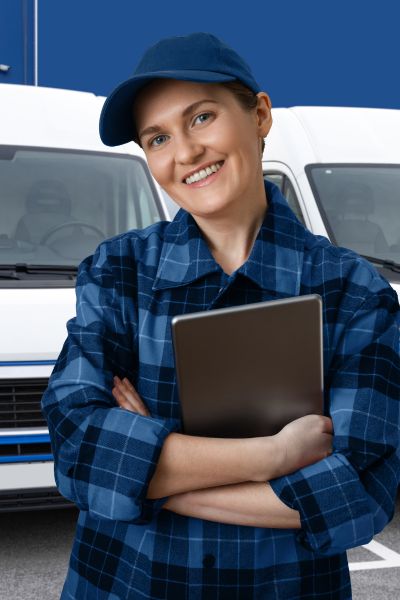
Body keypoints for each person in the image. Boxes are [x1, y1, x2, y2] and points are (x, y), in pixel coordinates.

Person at [41, 32, 400, 599]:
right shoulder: (117, 273)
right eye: (157, 138)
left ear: (259, 115)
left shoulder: (355, 293)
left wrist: (145, 475)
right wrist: (274, 455)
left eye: (202, 117)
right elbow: (78, 451)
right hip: (122, 584)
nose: (183, 153)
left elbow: (356, 495)